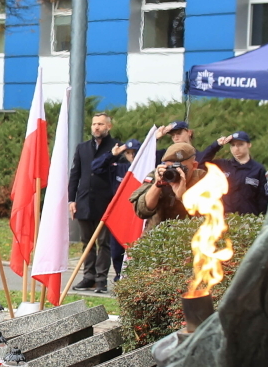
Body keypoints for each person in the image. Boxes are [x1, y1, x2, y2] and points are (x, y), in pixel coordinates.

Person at [68, 112, 120, 293]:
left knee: (103, 242)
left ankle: (101, 279)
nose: (96, 127)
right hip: (83, 201)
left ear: (108, 127)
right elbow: (75, 174)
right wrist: (71, 199)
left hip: (106, 203)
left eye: (100, 124)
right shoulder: (82, 148)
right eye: (94, 124)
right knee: (86, 242)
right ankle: (88, 277)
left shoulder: (116, 147)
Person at [130, 142, 207, 230]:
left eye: (181, 168)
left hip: (190, 238)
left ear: (194, 165)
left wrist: (183, 196)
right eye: (171, 168)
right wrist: (157, 185)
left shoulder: (203, 179)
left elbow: (210, 217)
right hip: (157, 237)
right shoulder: (158, 175)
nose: (176, 172)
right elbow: (141, 211)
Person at [197, 130, 268, 215]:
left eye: (240, 144)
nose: (236, 148)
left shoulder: (258, 169)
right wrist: (216, 145)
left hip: (249, 221)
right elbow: (200, 164)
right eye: (233, 145)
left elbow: (264, 200)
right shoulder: (222, 166)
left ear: (249, 145)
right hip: (224, 220)